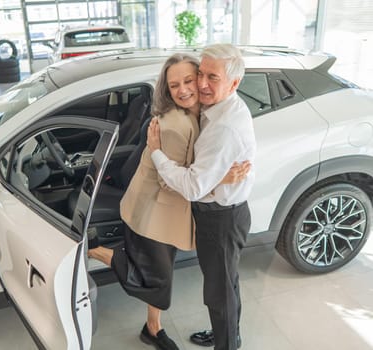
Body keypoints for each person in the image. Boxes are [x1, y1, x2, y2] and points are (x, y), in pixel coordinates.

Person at [88, 53, 249, 350]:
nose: (187, 88)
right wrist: (221, 177)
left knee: (171, 276)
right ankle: (97, 251)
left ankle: (153, 327)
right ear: (167, 88)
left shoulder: (208, 113)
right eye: (175, 85)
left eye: (191, 79)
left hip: (168, 210)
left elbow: (198, 167)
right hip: (156, 212)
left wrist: (216, 174)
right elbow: (177, 182)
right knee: (158, 280)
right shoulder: (177, 124)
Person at [147, 43, 256, 350]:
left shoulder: (222, 128)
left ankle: (227, 344)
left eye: (213, 78)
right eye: (201, 74)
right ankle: (227, 334)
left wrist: (156, 153)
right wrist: (221, 176)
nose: (202, 85)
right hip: (228, 211)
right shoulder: (218, 106)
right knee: (226, 285)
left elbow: (194, 186)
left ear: (234, 83)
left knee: (219, 294)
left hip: (220, 219)